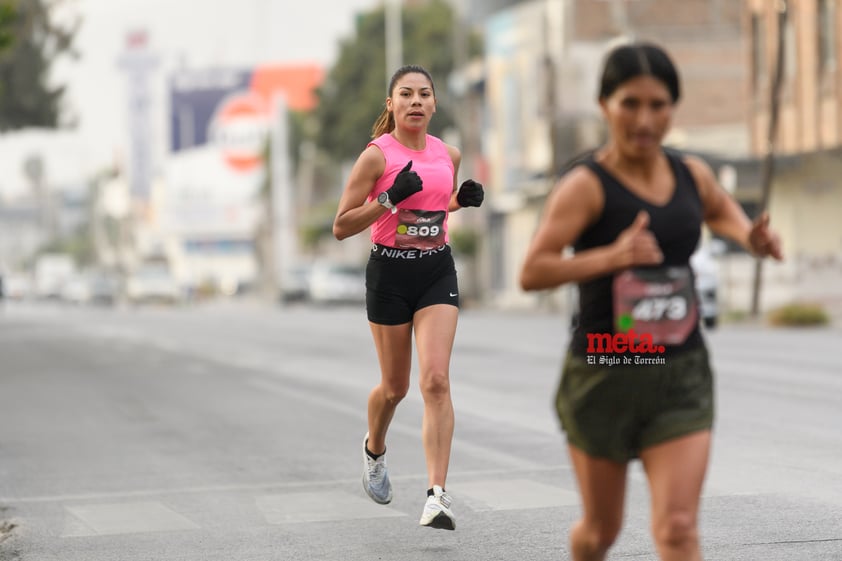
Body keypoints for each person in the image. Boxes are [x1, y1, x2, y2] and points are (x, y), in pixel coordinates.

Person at [519, 42, 782, 561]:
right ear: (604, 106)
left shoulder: (691, 174)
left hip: (679, 373)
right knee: (600, 532)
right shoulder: (585, 186)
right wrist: (611, 256)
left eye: (658, 105)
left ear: (672, 108)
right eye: (630, 104)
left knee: (679, 529)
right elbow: (533, 272)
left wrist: (752, 240)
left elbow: (725, 215)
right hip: (604, 368)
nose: (645, 119)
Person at [332, 64, 484, 531]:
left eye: (423, 94)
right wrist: (387, 199)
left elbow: (436, 203)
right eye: (406, 94)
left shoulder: (448, 153)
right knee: (395, 387)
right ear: (391, 105)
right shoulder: (376, 158)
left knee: (436, 381)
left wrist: (462, 199)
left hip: (437, 270)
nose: (416, 102)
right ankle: (374, 447)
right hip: (389, 273)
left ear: (435, 104)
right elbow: (341, 226)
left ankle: (437, 496)